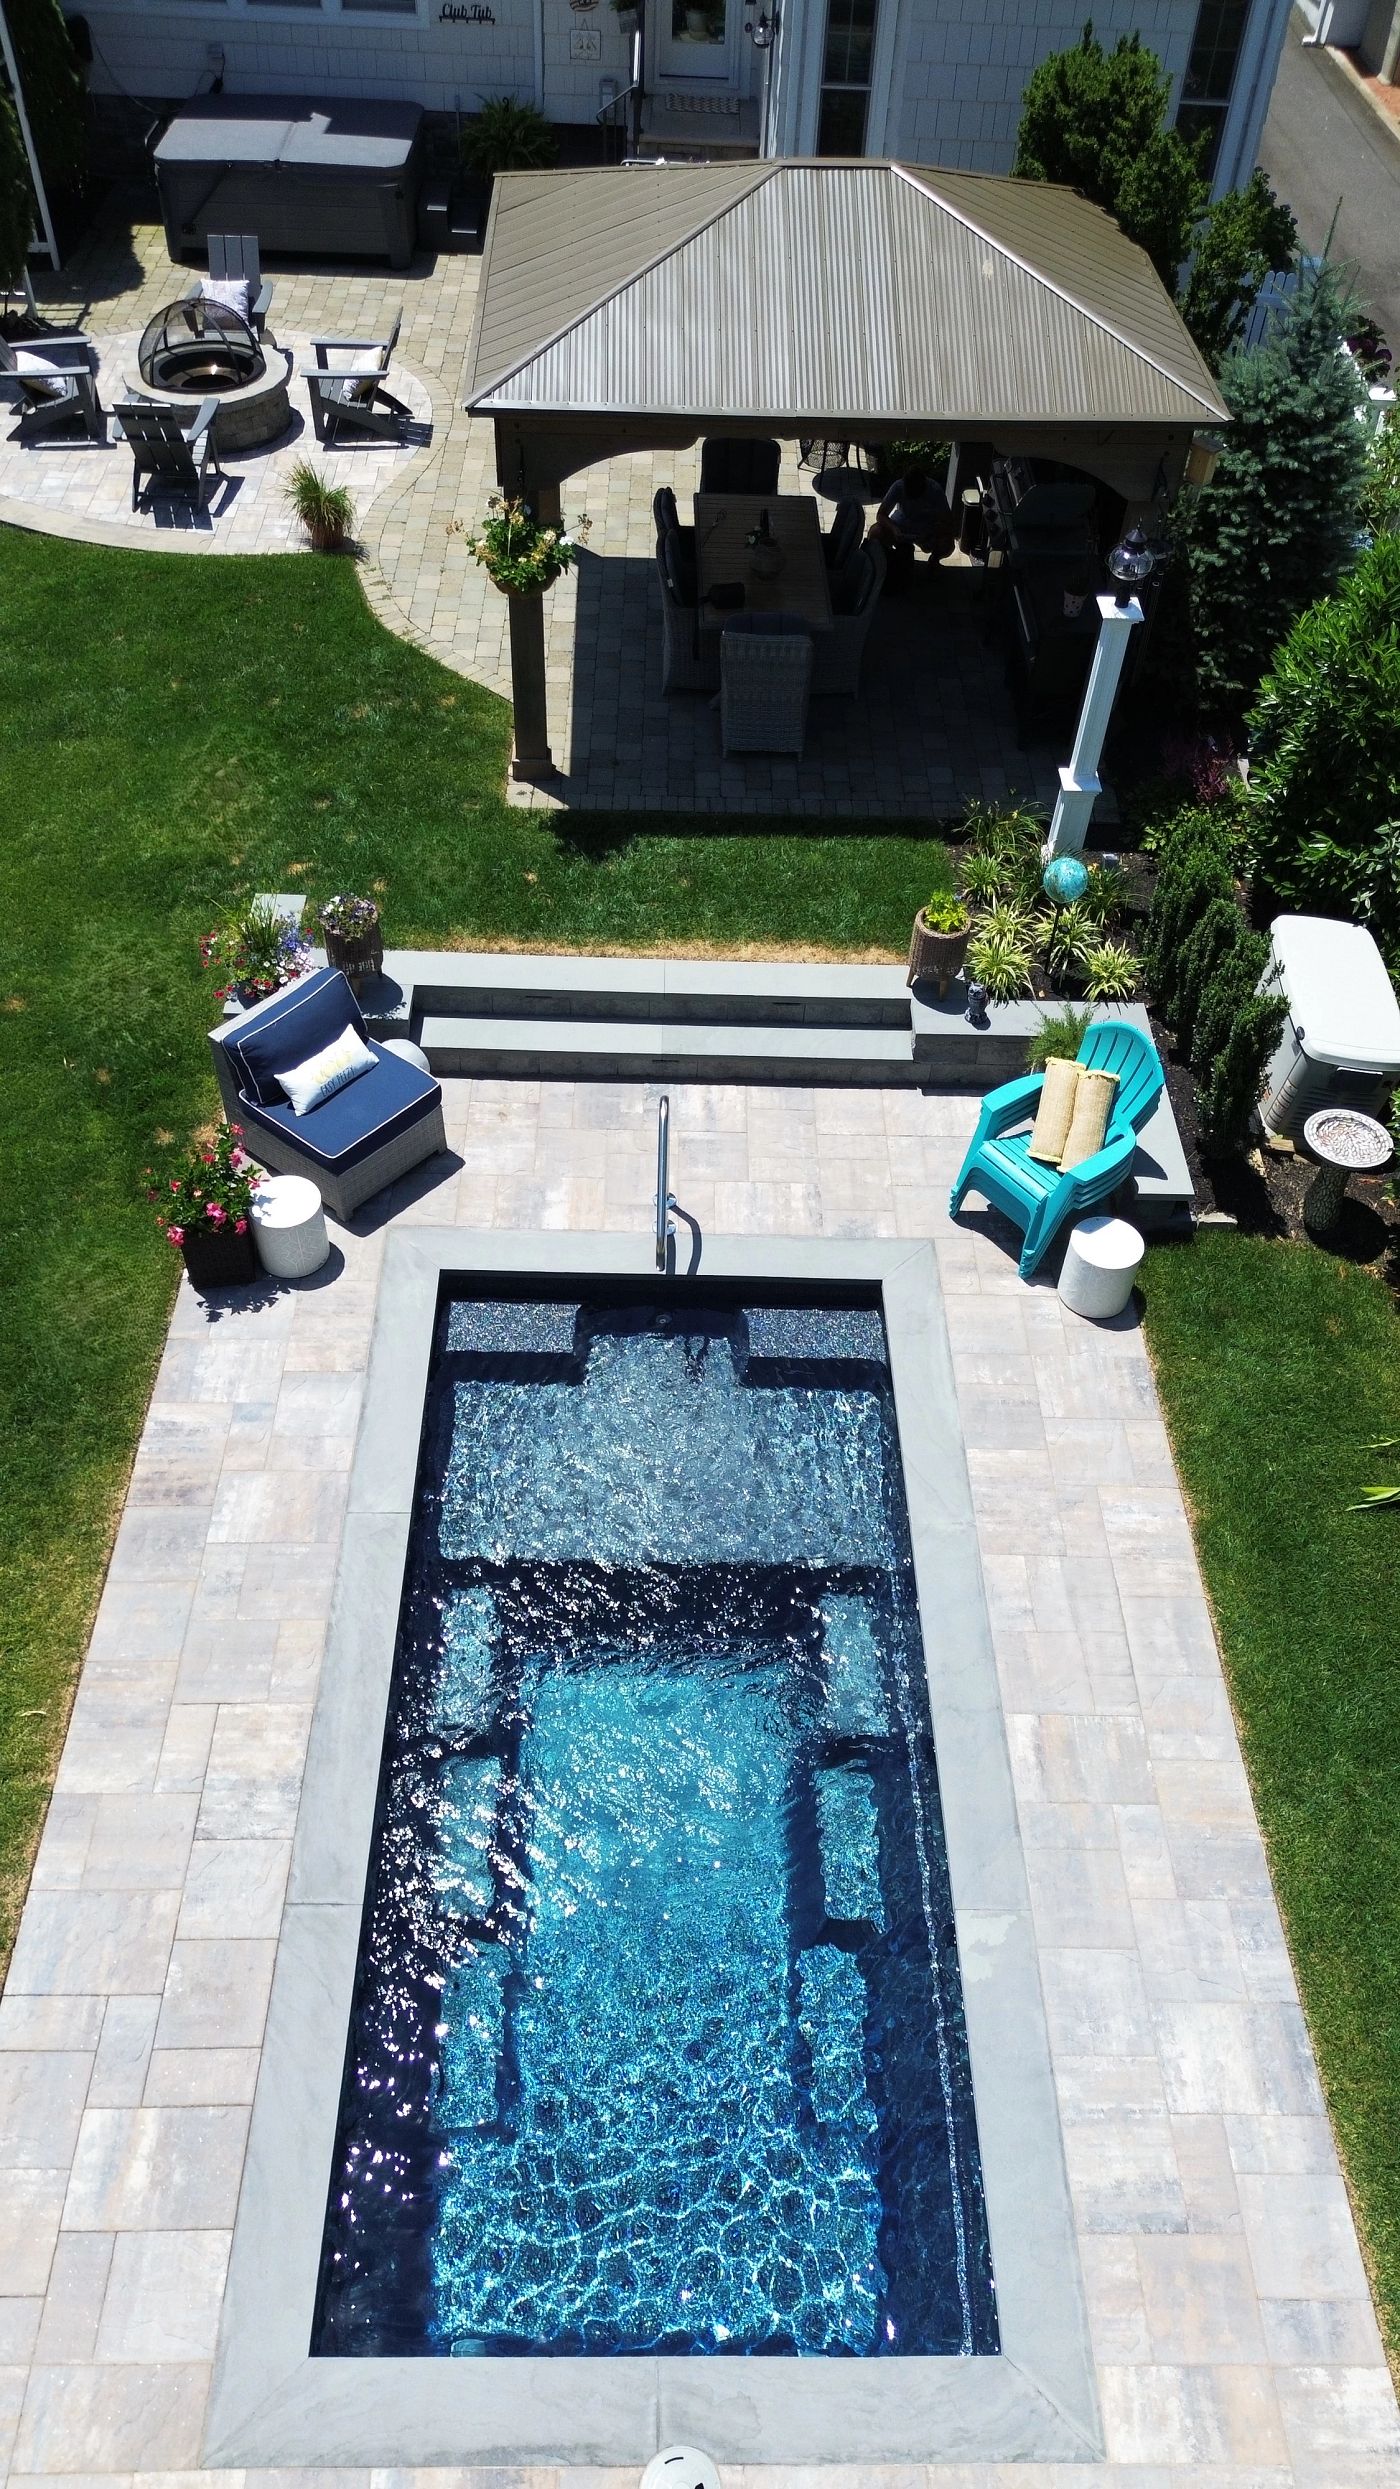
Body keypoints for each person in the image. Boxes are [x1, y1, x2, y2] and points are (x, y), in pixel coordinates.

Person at [871, 466, 955, 593]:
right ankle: (885, 562)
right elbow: (881, 515)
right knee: (875, 532)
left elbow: (947, 520)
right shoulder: (898, 486)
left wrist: (932, 532)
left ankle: (934, 560)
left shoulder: (935, 490)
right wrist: (893, 529)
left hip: (926, 529)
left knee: (947, 544)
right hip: (901, 525)